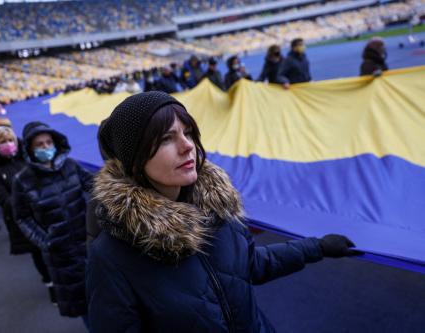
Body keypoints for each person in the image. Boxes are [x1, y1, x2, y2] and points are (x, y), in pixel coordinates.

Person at [86, 91, 358, 332]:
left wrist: (318, 247)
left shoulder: (217, 210)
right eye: (167, 138)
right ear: (135, 158)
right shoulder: (110, 256)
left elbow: (251, 265)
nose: (187, 146)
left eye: (188, 132)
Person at [12, 121, 92, 322]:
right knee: (84, 304)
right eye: (39, 144)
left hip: (89, 242)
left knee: (106, 294)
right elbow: (22, 217)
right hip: (61, 253)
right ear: (30, 149)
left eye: (49, 142)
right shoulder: (22, 180)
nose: (46, 147)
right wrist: (45, 241)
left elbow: (95, 186)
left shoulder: (71, 165)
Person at [0, 126, 53, 300]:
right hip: (23, 217)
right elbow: (0, 196)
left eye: (10, 140)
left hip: (43, 209)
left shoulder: (27, 156)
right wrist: (23, 204)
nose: (8, 144)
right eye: (2, 142)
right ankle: (50, 284)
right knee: (37, 251)